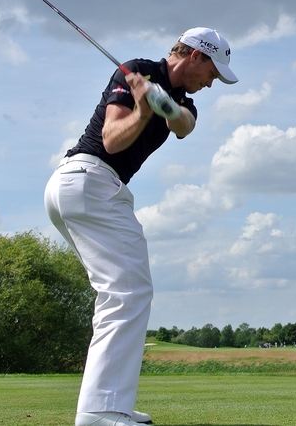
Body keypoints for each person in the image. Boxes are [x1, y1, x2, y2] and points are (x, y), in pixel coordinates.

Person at [44, 27, 238, 426]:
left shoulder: (186, 101)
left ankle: (110, 400)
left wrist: (164, 105)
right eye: (212, 72)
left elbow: (184, 125)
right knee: (128, 291)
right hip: (88, 179)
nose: (211, 82)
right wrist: (143, 110)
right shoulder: (135, 71)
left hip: (86, 189)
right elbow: (112, 141)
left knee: (122, 291)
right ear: (195, 56)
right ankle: (100, 411)